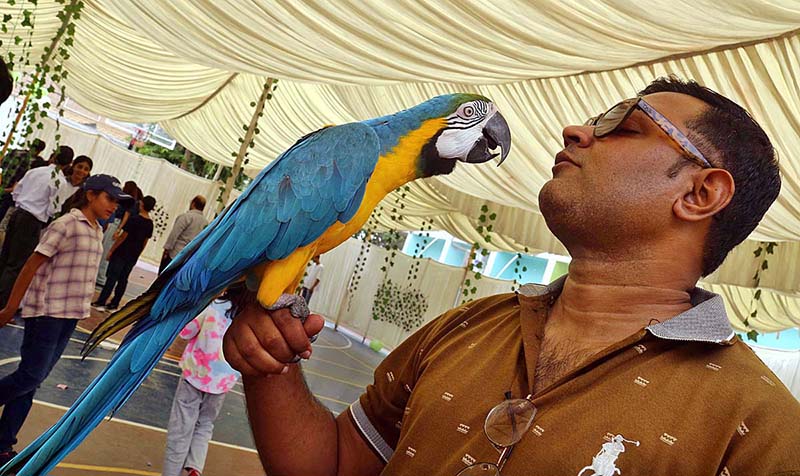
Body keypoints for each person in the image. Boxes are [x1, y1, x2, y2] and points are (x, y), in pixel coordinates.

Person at [222, 77, 800, 476]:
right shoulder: (461, 329)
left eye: (623, 123)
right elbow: (333, 465)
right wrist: (268, 362)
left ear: (701, 193)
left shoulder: (762, 426)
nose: (575, 130)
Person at [0, 174, 131, 465]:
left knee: (32, 382)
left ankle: (3, 446)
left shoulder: (97, 230)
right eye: (109, 198)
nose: (114, 206)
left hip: (69, 316)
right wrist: (10, 308)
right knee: (31, 375)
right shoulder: (67, 225)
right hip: (46, 313)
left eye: (117, 202)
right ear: (90, 195)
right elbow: (30, 266)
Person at [162, 295, 240, 476]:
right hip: (222, 381)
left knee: (180, 429)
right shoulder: (246, 314)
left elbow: (186, 331)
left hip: (195, 373)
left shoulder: (213, 305)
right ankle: (194, 468)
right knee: (205, 425)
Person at [0, 145, 74, 307]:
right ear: (69, 164)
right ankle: (2, 305)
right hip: (32, 221)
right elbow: (54, 208)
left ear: (53, 156)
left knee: (5, 257)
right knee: (16, 265)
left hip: (17, 214)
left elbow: (16, 192)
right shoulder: (59, 182)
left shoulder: (35, 171)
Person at [92, 195, 155, 311]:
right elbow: (145, 241)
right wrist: (138, 253)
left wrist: (112, 250)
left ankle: (101, 301)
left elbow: (123, 236)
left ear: (142, 204)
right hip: (133, 254)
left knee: (112, 277)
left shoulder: (134, 219)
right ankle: (114, 304)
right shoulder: (150, 224)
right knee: (123, 279)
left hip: (122, 251)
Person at [96, 181, 139, 285]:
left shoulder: (128, 201)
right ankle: (101, 276)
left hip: (117, 224)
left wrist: (119, 229)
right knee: (105, 248)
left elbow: (126, 215)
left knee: (106, 250)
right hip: (116, 224)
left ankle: (101, 277)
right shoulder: (131, 202)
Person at [0, 138, 46, 223]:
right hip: (11, 193)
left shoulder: (14, 152)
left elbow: (2, 165)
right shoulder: (34, 163)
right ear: (40, 150)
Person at [160, 195, 208, 274]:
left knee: (162, 279)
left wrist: (166, 250)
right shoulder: (205, 222)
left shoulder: (185, 217)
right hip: (188, 258)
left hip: (174, 254)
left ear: (193, 203)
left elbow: (174, 234)